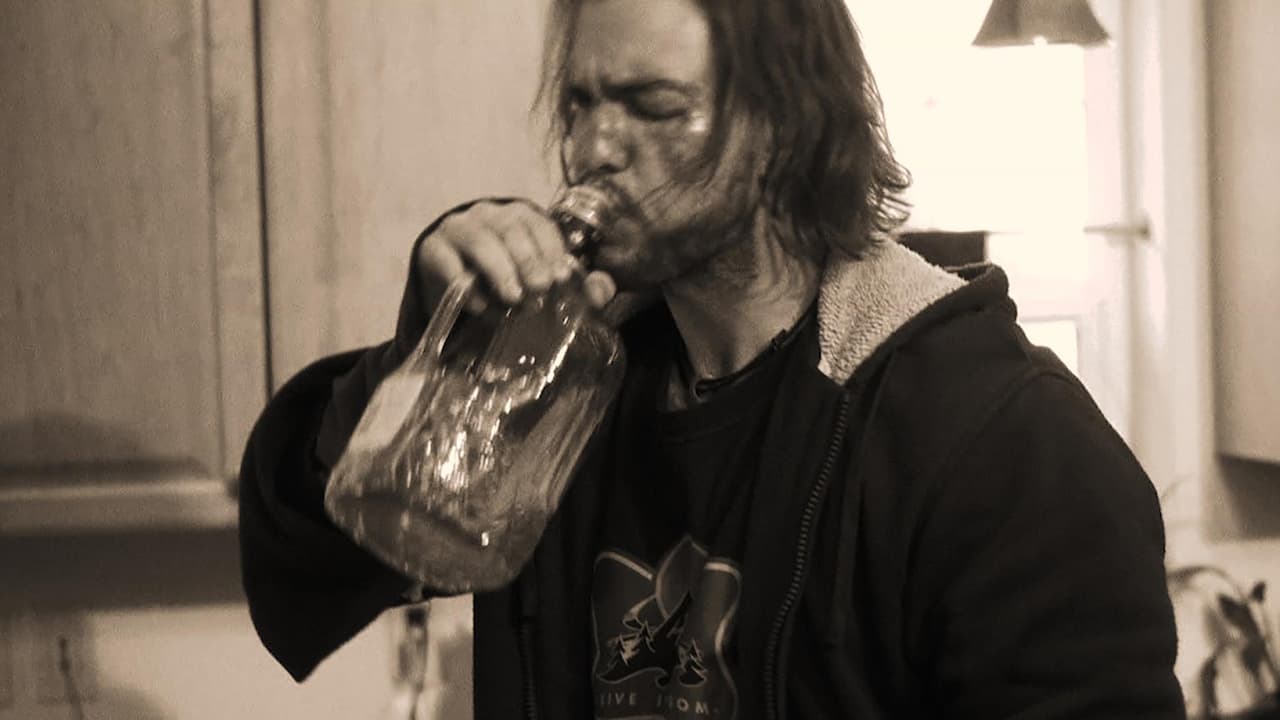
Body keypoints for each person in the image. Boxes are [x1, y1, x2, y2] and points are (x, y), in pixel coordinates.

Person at [238, 0, 1186, 717]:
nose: (591, 148)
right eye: (579, 103)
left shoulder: (1006, 443)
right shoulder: (559, 380)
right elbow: (305, 556)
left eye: (652, 107)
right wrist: (421, 365)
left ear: (785, 125)